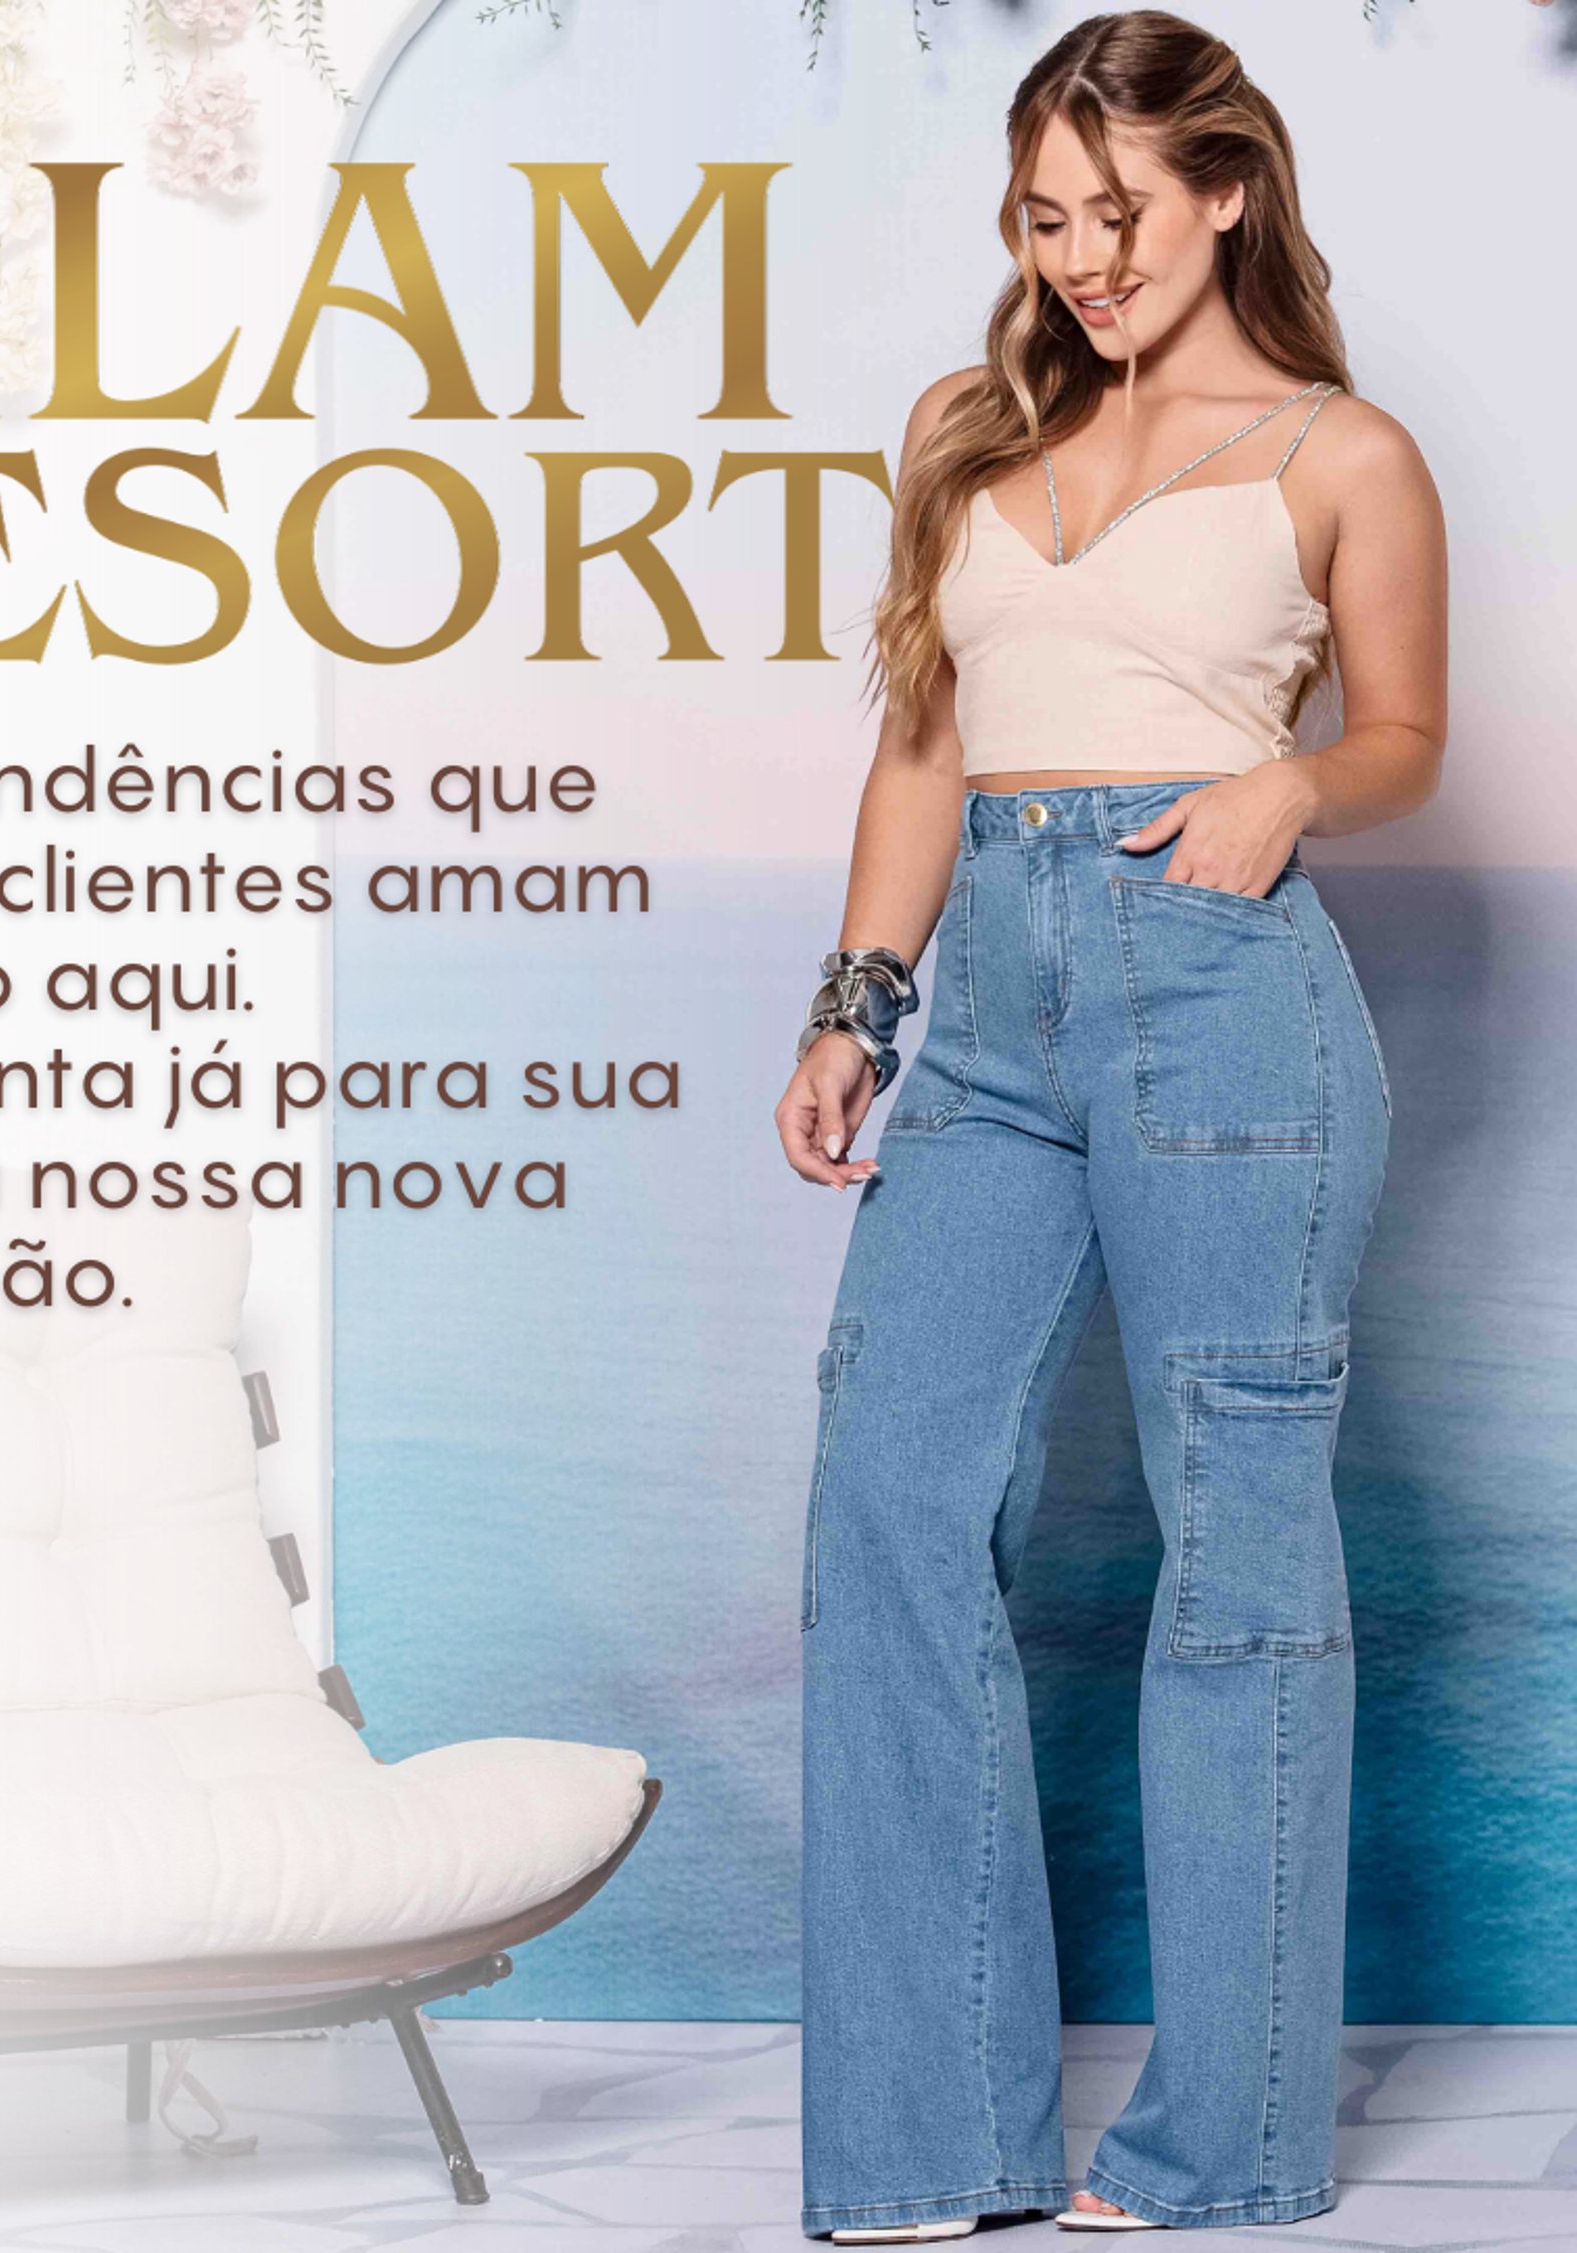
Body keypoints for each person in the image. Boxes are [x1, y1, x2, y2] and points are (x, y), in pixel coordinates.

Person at [774, 11, 1446, 2242]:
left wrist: (1290, 786)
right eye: (1045, 219)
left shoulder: (1341, 452)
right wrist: (860, 1003)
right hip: (986, 1018)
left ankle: (1224, 2143)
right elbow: (922, 745)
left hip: (1222, 998)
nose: (1081, 257)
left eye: (1120, 212)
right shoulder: (967, 433)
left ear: (1226, 189)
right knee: (889, 1495)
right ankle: (923, 2138)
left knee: (1237, 1550)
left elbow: (1409, 734)